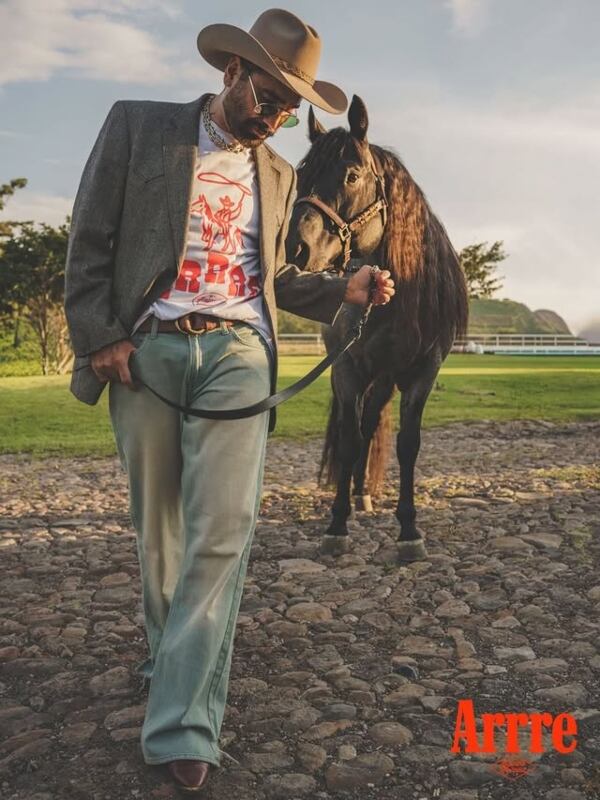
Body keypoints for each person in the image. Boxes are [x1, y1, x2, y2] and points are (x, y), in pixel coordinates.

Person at [63, 8, 395, 794]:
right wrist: (102, 333)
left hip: (240, 352)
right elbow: (91, 238)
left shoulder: (277, 175)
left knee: (224, 532)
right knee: (161, 535)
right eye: (268, 96)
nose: (277, 116)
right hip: (145, 353)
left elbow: (275, 280)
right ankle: (168, 664)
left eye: (290, 106)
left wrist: (341, 286)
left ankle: (184, 721)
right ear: (230, 73)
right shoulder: (139, 127)